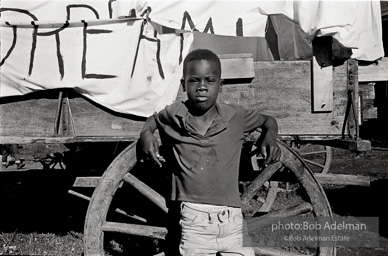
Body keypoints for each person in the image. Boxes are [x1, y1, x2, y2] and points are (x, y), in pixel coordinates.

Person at [139, 49, 281, 256]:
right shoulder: (174, 114)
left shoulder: (235, 117)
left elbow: (269, 121)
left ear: (220, 86)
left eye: (210, 80)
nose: (202, 87)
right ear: (183, 85)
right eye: (194, 80)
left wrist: (270, 137)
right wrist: (146, 134)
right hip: (195, 223)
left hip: (233, 221)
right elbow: (153, 120)